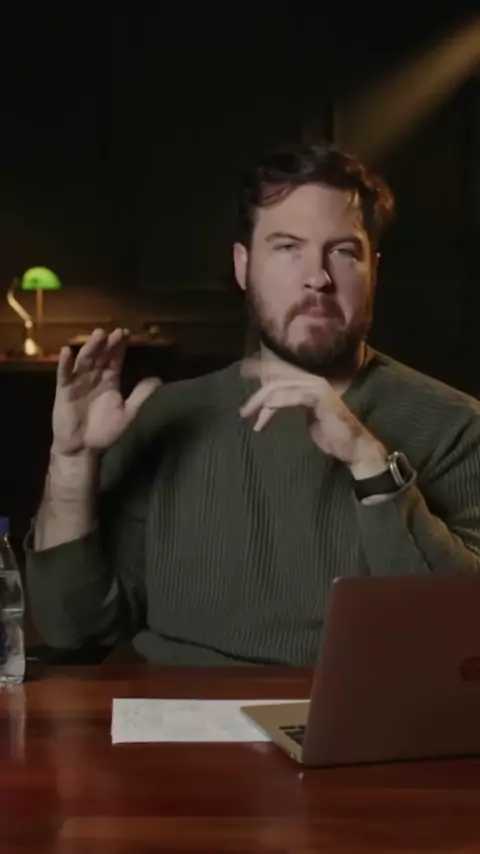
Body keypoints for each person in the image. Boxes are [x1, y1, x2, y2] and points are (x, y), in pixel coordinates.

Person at [27, 142, 480, 665]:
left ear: (372, 270)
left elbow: (462, 636)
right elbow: (73, 630)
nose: (317, 277)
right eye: (287, 247)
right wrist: (72, 464)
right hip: (183, 709)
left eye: (343, 251)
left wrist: (369, 461)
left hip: (366, 707)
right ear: (243, 266)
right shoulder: (164, 418)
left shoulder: (456, 426)